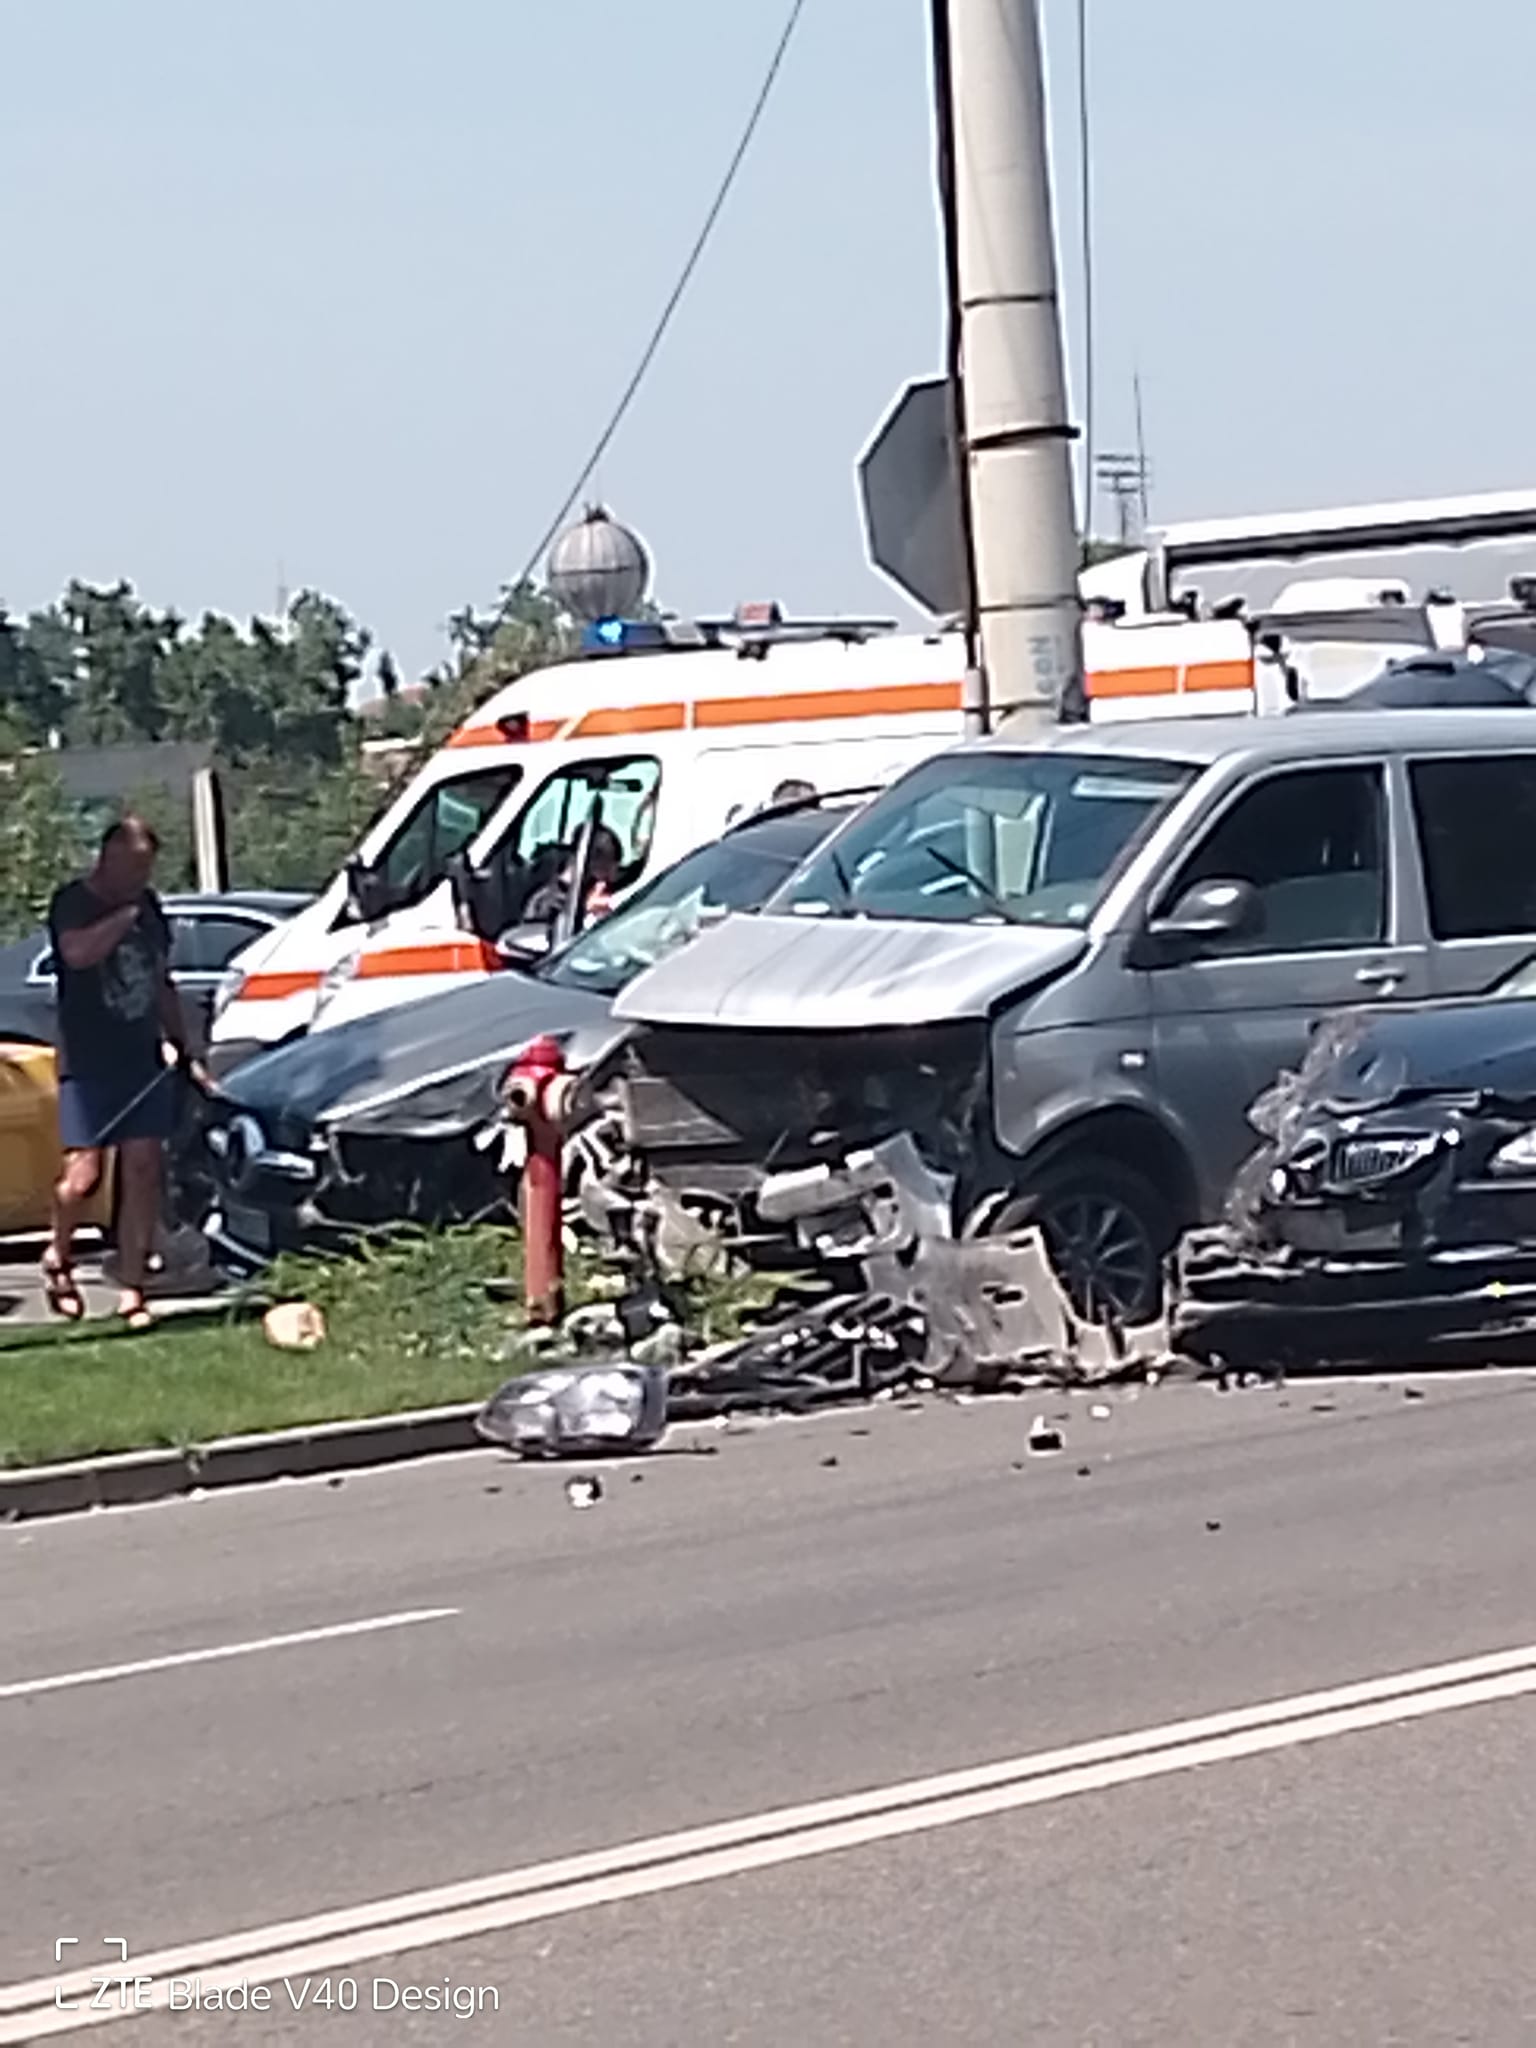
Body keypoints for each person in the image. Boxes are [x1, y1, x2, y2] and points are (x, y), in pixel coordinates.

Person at [42, 817, 194, 1330]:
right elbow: (76, 954)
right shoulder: (74, 902)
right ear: (107, 858)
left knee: (144, 1167)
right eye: (133, 868)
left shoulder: (151, 910)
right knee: (82, 1179)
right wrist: (122, 916)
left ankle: (133, 1288)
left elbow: (160, 979)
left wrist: (182, 1042)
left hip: (140, 1057)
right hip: (88, 1060)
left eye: (146, 870)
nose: (140, 879)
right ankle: (59, 1255)